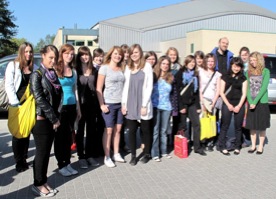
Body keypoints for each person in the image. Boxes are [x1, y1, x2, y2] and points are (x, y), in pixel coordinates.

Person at [30, 45, 62, 197]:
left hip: (51, 120)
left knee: (45, 152)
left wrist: (58, 115)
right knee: (41, 154)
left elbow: (58, 95)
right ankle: (38, 184)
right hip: (41, 121)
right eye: (50, 57)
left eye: (55, 58)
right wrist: (54, 117)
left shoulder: (52, 73)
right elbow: (40, 99)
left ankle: (43, 181)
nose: (53, 61)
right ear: (42, 55)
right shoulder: (36, 75)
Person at [5, 42, 38, 172]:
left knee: (27, 131)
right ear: (21, 52)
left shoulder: (34, 67)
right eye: (26, 51)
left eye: (30, 51)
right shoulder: (13, 65)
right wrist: (15, 102)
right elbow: (9, 85)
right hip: (17, 103)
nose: (28, 54)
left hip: (29, 104)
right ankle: (19, 161)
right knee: (17, 133)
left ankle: (24, 158)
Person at [122, 44, 153, 166]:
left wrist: (144, 105)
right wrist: (123, 104)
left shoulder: (147, 66)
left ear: (140, 53)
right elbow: (125, 87)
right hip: (130, 103)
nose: (134, 54)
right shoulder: (128, 67)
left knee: (145, 130)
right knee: (131, 131)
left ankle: (146, 153)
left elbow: (149, 86)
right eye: (132, 53)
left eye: (136, 52)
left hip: (142, 103)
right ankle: (134, 156)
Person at [96, 46, 125, 168]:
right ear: (111, 54)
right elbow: (98, 88)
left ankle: (116, 153)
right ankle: (107, 156)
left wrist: (124, 104)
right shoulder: (104, 68)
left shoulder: (122, 68)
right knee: (108, 131)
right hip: (109, 103)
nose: (117, 56)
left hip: (120, 104)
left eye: (120, 54)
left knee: (118, 130)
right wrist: (101, 104)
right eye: (115, 53)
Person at [54, 44, 81, 176]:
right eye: (67, 53)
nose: (70, 56)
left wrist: (78, 108)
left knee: (69, 137)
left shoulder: (73, 70)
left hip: (72, 107)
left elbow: (75, 90)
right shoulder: (55, 69)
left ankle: (68, 162)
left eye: (72, 54)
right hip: (61, 108)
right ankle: (61, 165)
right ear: (61, 54)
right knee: (60, 137)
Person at [175, 55, 206, 156]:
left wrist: (198, 107)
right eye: (190, 62)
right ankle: (182, 146)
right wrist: (181, 106)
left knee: (196, 124)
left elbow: (196, 92)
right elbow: (177, 91)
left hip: (192, 103)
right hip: (183, 104)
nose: (192, 64)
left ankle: (197, 147)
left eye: (193, 62)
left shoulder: (195, 75)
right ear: (186, 62)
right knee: (183, 126)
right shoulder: (180, 73)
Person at [75, 46, 99, 169]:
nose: (85, 57)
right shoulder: (76, 70)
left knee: (91, 131)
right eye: (82, 55)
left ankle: (89, 155)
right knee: (80, 131)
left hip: (92, 105)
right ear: (78, 57)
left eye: (87, 54)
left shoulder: (94, 70)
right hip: (80, 105)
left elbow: (98, 87)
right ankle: (81, 156)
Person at [218, 57, 247, 155]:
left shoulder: (243, 78)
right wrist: (228, 105)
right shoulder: (225, 76)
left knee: (238, 127)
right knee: (225, 125)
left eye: (238, 66)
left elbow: (244, 94)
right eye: (234, 66)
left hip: (239, 104)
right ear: (231, 65)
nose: (236, 68)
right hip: (227, 103)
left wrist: (239, 106)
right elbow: (221, 92)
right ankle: (222, 146)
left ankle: (237, 146)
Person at [246, 51, 270, 154]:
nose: (252, 62)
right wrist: (250, 101)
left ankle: (260, 146)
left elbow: (264, 88)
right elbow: (247, 88)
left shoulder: (265, 71)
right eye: (250, 60)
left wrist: (255, 102)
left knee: (261, 126)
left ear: (259, 60)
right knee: (252, 126)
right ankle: (253, 146)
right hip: (251, 102)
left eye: (254, 60)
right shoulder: (249, 72)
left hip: (261, 102)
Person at [151, 56, 174, 162]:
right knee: (156, 131)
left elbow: (173, 94)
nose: (165, 66)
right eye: (163, 63)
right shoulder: (154, 76)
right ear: (159, 64)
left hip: (167, 107)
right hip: (156, 107)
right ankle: (155, 153)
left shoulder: (170, 77)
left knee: (164, 131)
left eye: (167, 64)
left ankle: (164, 151)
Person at [199, 53, 221, 151]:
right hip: (203, 100)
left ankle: (210, 141)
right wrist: (202, 101)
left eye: (212, 61)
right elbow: (199, 88)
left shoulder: (217, 74)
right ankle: (203, 140)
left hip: (212, 101)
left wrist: (213, 102)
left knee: (212, 121)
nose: (210, 63)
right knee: (203, 121)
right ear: (205, 62)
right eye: (208, 61)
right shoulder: (201, 72)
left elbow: (218, 90)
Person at [165, 47, 181, 144]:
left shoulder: (180, 68)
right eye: (171, 54)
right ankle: (166, 141)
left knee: (176, 120)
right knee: (166, 120)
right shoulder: (164, 67)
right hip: (166, 97)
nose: (173, 56)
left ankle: (175, 141)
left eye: (174, 54)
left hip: (176, 96)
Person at [92, 47, 105, 157]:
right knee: (93, 127)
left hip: (103, 100)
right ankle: (94, 149)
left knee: (101, 125)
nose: (99, 59)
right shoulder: (91, 68)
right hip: (93, 101)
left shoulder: (104, 68)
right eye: (97, 56)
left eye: (101, 57)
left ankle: (100, 148)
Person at [239, 46, 251, 148]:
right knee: (241, 118)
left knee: (247, 119)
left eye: (246, 55)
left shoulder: (251, 68)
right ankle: (241, 138)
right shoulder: (239, 66)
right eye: (242, 55)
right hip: (240, 96)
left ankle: (248, 139)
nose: (244, 56)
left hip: (248, 97)